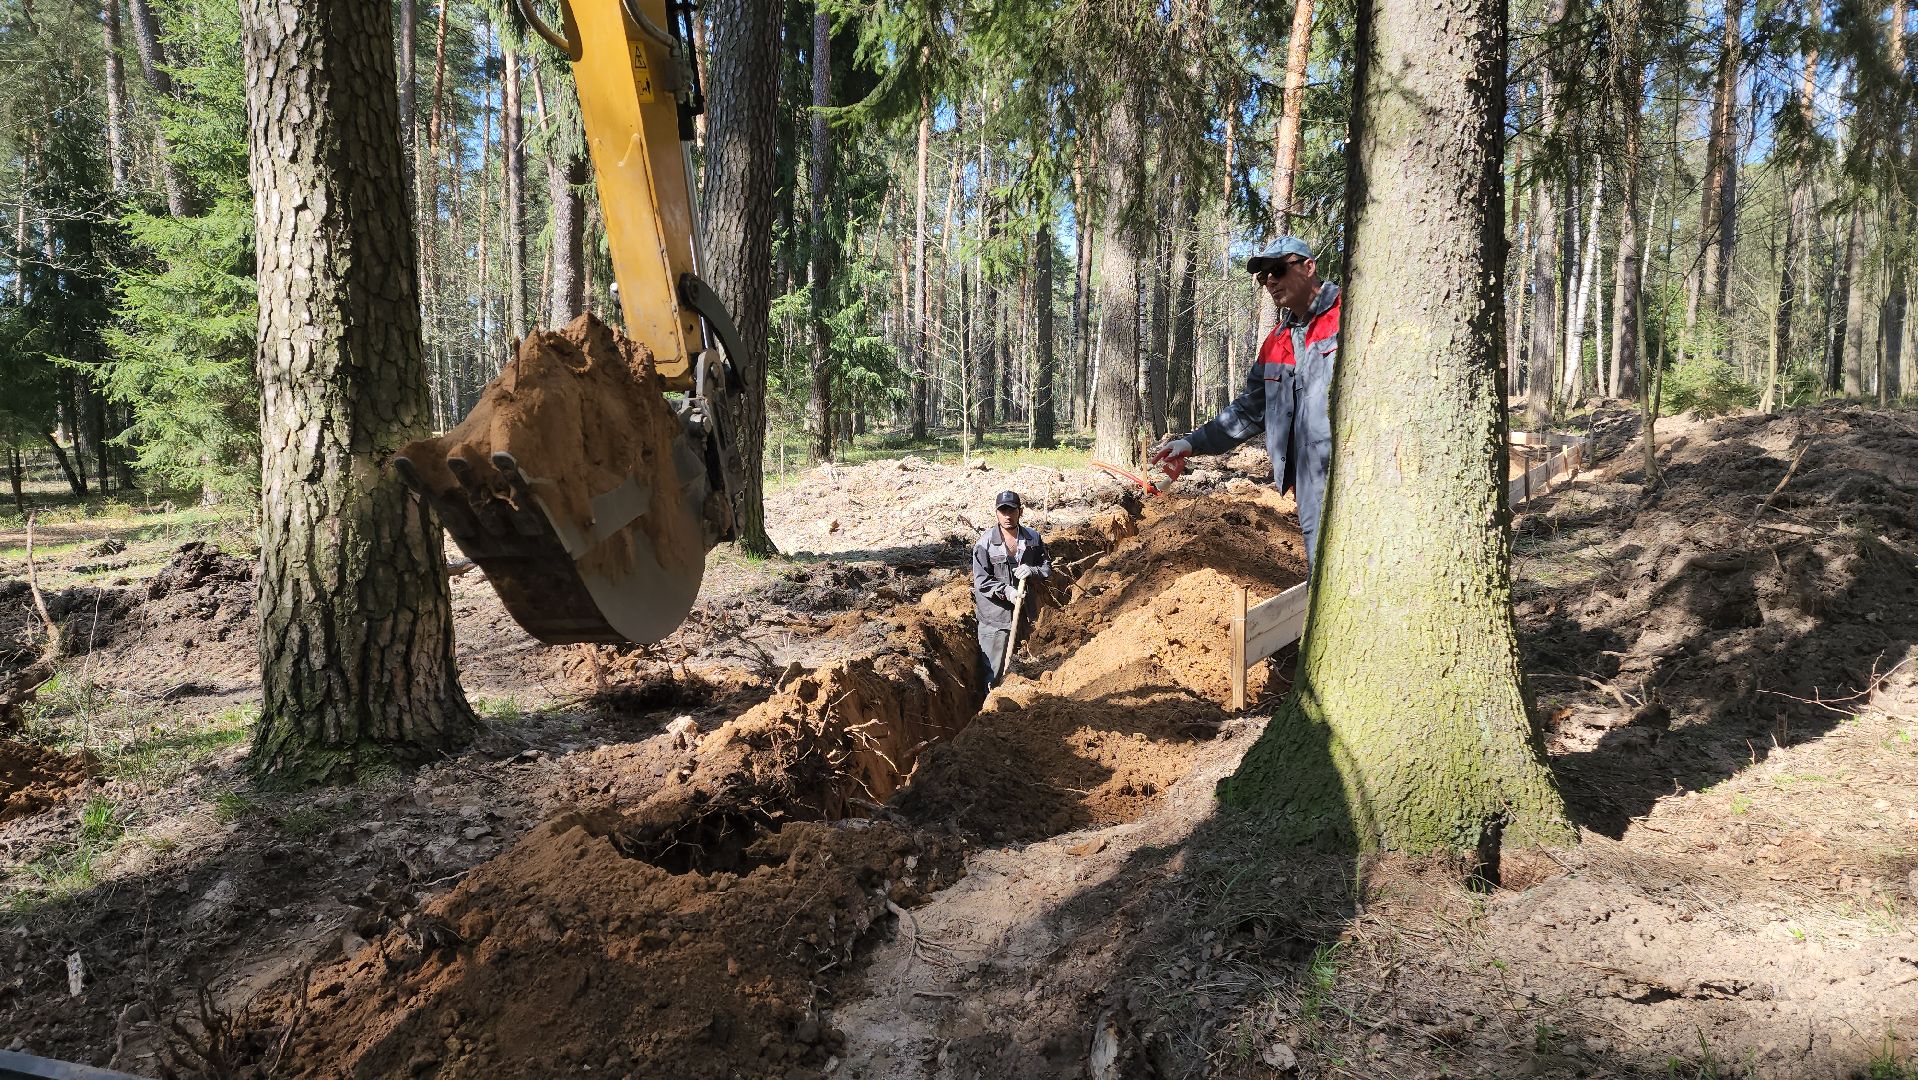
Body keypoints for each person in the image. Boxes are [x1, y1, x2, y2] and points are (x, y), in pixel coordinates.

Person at [1150, 236, 1340, 566]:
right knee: (1324, 575)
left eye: (1278, 269)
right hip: (1310, 485)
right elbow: (1250, 410)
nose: (1270, 280)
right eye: (1263, 275)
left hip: (1354, 473)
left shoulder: (1350, 316)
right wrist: (1192, 443)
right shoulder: (1277, 341)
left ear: (1309, 267)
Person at [971, 490, 1051, 687]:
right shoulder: (985, 544)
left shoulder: (1033, 539)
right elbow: (982, 581)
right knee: (994, 674)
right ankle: (993, 711)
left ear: (1020, 512)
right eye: (1002, 511)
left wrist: (1032, 570)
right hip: (995, 619)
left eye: (1011, 511)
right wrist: (1007, 592)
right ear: (996, 513)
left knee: (1029, 666)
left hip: (1025, 614)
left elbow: (1047, 569)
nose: (1007, 516)